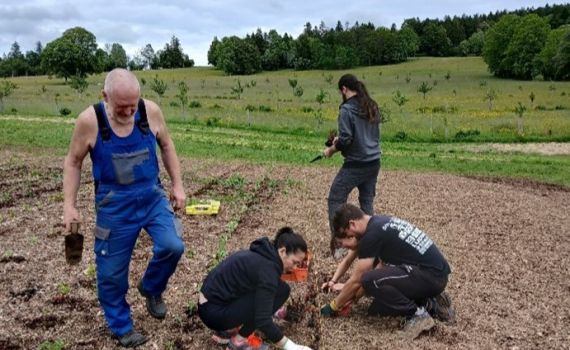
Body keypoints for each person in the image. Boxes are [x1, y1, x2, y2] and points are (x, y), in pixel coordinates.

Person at [63, 68, 186, 347]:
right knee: (111, 273)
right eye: (122, 107)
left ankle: (152, 287)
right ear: (105, 96)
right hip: (114, 206)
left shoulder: (150, 111)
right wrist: (69, 206)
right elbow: (73, 162)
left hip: (152, 197)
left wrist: (177, 185)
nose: (130, 113)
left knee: (173, 245)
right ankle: (121, 325)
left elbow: (166, 145)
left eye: (133, 106)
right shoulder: (89, 121)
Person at [320, 204, 455, 340]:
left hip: (430, 276)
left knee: (368, 280)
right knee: (377, 308)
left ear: (352, 224)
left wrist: (332, 307)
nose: (349, 238)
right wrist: (353, 297)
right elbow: (382, 271)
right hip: (435, 274)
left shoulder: (371, 235)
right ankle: (431, 304)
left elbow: (358, 279)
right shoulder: (380, 223)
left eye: (346, 234)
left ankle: (417, 315)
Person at [198, 227, 313, 350]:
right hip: (214, 314)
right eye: (294, 262)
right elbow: (262, 320)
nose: (295, 268)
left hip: (209, 305)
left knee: (282, 289)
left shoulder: (263, 253)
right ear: (283, 251)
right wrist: (291, 346)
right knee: (269, 303)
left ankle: (230, 328)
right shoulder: (268, 272)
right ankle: (239, 341)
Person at [322, 74, 381, 258]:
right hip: (374, 161)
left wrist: (332, 149)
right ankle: (369, 242)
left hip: (356, 163)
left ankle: (339, 244)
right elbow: (363, 135)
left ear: (344, 89)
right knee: (366, 201)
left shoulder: (346, 109)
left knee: (335, 198)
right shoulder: (370, 105)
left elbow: (346, 139)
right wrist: (341, 141)